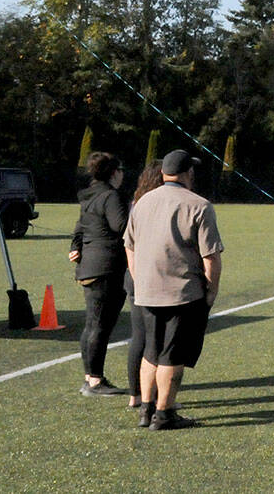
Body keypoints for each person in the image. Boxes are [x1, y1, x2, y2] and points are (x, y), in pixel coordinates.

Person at [124, 149, 223, 431]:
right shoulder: (199, 205)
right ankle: (165, 413)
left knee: (151, 352)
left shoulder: (141, 202)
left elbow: (128, 246)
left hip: (146, 289)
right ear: (187, 173)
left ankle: (146, 409)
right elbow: (211, 256)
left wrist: (138, 277)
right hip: (182, 291)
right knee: (172, 355)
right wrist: (211, 290)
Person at [69, 152, 129, 397]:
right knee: (100, 326)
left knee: (92, 324)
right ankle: (94, 380)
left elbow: (79, 229)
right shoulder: (111, 195)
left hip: (90, 266)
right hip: (107, 267)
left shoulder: (91, 196)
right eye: (121, 169)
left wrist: (75, 247)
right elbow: (121, 226)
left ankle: (90, 377)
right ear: (113, 172)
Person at [125, 162, 164, 409]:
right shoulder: (154, 205)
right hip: (148, 276)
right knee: (153, 339)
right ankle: (155, 397)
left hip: (135, 275)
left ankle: (135, 395)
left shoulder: (137, 204)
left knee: (139, 335)